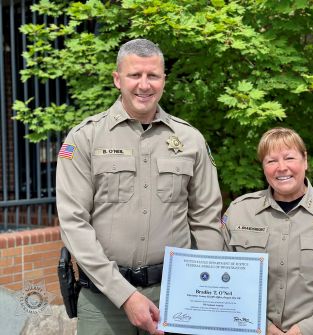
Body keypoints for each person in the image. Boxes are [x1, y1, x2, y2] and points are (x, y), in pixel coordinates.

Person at [56, 38, 224, 335]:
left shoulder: (190, 140)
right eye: (135, 75)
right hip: (104, 300)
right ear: (117, 79)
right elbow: (73, 224)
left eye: (153, 76)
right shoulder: (84, 139)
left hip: (175, 296)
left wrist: (205, 289)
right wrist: (125, 295)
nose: (144, 85)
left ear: (163, 80)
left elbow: (206, 221)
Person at [221, 127, 313, 335]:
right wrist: (262, 325)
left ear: (305, 160)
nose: (281, 168)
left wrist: (307, 329)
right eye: (271, 161)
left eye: (289, 157)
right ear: (263, 167)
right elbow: (223, 279)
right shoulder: (239, 212)